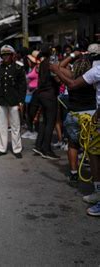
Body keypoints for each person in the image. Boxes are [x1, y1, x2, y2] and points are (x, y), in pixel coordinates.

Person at [50, 43, 100, 216]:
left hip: (77, 114)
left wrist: (72, 56)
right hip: (93, 114)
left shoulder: (75, 74)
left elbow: (59, 70)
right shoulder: (92, 73)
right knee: (93, 153)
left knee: (74, 144)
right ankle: (97, 190)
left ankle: (74, 173)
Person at [0, 45, 26, 159]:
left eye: (7, 54)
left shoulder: (18, 68)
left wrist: (21, 101)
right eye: (3, 55)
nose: (5, 57)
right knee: (2, 125)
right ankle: (2, 148)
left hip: (14, 100)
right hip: (1, 100)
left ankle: (17, 149)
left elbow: (22, 86)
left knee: (15, 126)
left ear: (12, 55)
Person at [31, 46, 61, 160]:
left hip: (42, 95)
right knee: (50, 122)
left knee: (45, 121)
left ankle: (39, 146)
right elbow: (55, 75)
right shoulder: (51, 60)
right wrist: (62, 80)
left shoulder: (42, 62)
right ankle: (47, 149)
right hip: (49, 94)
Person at [22, 50, 40, 140]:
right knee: (27, 110)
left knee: (33, 111)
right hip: (28, 92)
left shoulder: (37, 68)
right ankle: (30, 130)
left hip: (35, 92)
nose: (28, 61)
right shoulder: (30, 68)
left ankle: (36, 131)